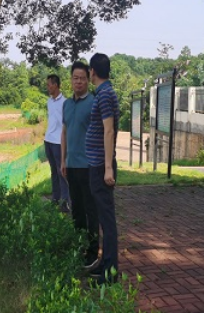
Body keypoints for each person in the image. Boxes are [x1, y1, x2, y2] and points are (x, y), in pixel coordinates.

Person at [61, 61, 100, 270]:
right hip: (72, 165)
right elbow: (65, 132)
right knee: (76, 210)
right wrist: (63, 160)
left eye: (82, 78)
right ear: (71, 80)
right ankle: (79, 246)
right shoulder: (67, 104)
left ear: (88, 80)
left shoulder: (94, 103)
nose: (78, 82)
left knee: (90, 210)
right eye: (75, 78)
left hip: (89, 165)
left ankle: (93, 253)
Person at [86, 53, 120, 285]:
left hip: (101, 167)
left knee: (107, 221)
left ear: (93, 72)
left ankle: (110, 273)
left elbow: (109, 130)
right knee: (103, 218)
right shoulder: (104, 93)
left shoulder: (105, 94)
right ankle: (106, 264)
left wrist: (108, 168)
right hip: (98, 165)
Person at [44, 74, 70, 212]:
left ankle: (65, 201)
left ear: (55, 85)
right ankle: (55, 198)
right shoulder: (49, 102)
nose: (47, 87)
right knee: (53, 171)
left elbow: (66, 125)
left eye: (49, 85)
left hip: (58, 142)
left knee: (62, 172)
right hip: (48, 140)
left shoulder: (65, 103)